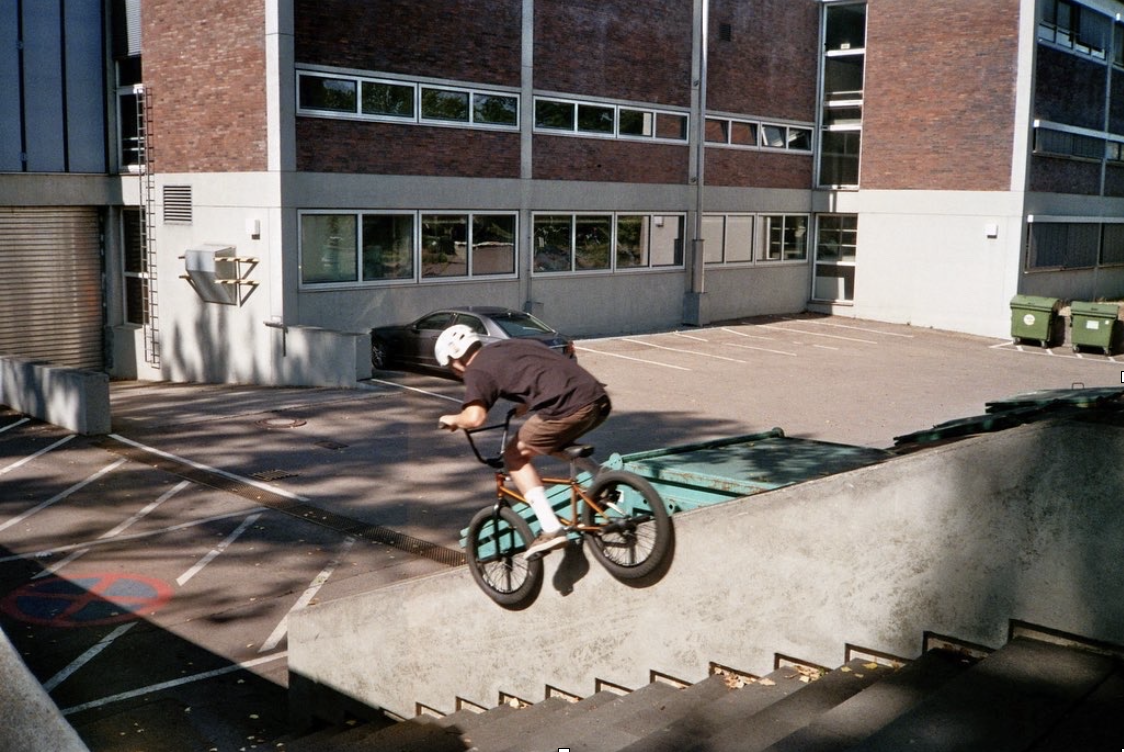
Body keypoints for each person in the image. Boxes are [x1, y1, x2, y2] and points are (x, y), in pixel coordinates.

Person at [436, 324, 612, 560]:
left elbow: (474, 417)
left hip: (567, 407)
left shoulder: (476, 370)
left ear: (455, 358)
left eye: (450, 367)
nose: (455, 372)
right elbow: (541, 369)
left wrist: (453, 419)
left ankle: (551, 528)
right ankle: (601, 476)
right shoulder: (508, 346)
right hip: (597, 400)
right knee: (548, 440)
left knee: (514, 455)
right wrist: (527, 402)